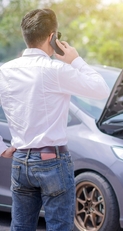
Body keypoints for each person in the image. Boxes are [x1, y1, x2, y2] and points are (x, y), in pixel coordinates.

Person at [0, 8, 110, 231]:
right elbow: (101, 89)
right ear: (52, 37)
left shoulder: (5, 71)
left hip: (20, 161)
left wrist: (1, 147)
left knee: (20, 227)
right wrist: (76, 60)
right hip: (53, 161)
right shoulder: (56, 70)